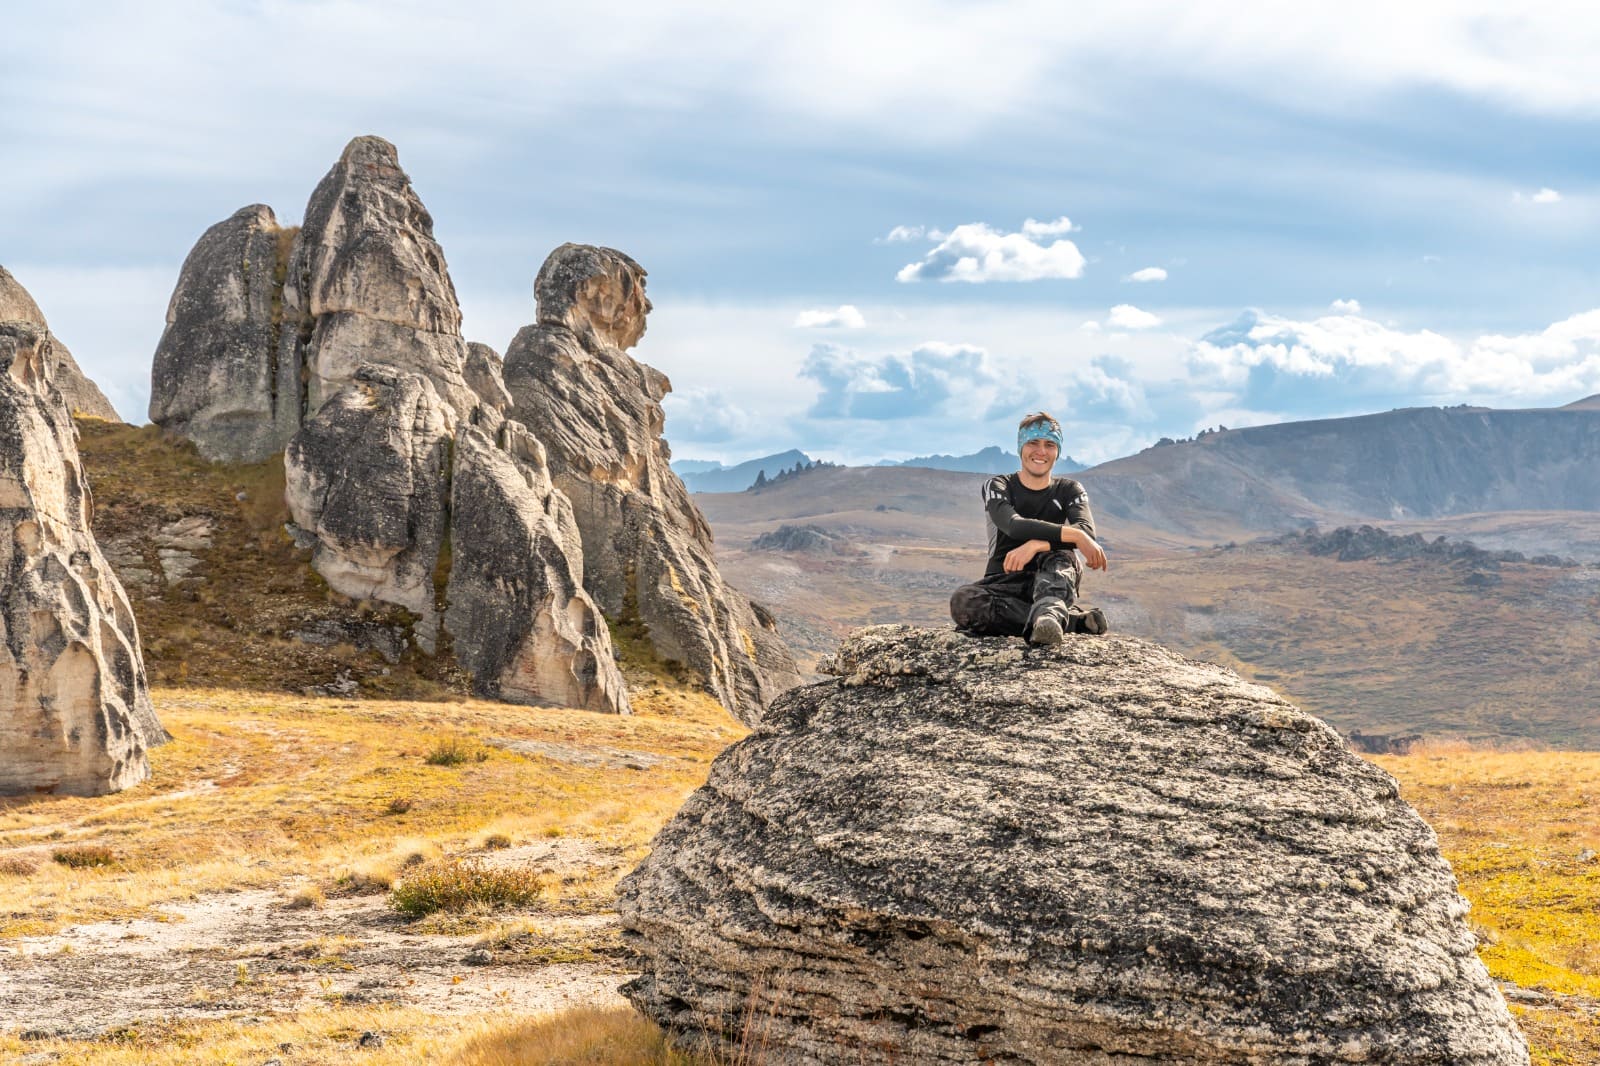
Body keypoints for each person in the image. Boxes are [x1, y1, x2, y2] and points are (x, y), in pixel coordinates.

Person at [949, 411, 1109, 644]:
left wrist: (1037, 545)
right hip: (1005, 583)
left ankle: (1049, 616)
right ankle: (1070, 623)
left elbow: (1087, 531)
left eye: (1050, 445)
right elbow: (1014, 526)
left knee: (1061, 555)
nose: (1041, 451)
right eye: (1033, 442)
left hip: (1054, 579)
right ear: (1020, 447)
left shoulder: (1070, 490)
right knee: (963, 601)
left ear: (1058, 451)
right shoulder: (998, 485)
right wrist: (1076, 535)